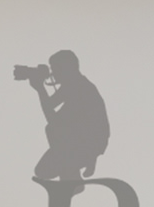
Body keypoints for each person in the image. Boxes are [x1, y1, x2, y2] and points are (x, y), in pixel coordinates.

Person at [26, 50, 108, 182]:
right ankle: (75, 171)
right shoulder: (73, 84)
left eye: (55, 69)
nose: (53, 73)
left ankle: (73, 177)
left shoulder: (81, 89)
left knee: (52, 129)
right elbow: (50, 104)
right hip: (81, 140)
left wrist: (40, 89)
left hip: (88, 142)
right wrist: (39, 87)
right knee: (42, 170)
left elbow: (54, 121)